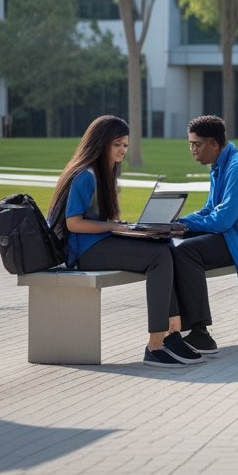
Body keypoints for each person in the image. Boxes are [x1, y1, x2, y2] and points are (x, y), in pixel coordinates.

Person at [48, 115, 201, 368]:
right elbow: (72, 223)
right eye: (117, 144)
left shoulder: (105, 172)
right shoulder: (86, 175)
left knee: (164, 245)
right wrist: (113, 226)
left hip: (101, 243)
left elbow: (100, 219)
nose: (122, 150)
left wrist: (127, 228)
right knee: (159, 257)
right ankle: (155, 346)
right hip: (84, 252)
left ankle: (173, 332)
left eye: (125, 145)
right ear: (101, 143)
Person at [170, 115, 238, 357]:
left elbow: (223, 220)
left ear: (213, 144)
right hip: (234, 234)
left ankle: (201, 333)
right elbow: (210, 209)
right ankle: (177, 329)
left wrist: (185, 226)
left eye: (196, 144)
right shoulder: (220, 166)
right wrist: (177, 223)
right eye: (190, 144)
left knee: (185, 250)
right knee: (170, 245)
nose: (192, 150)